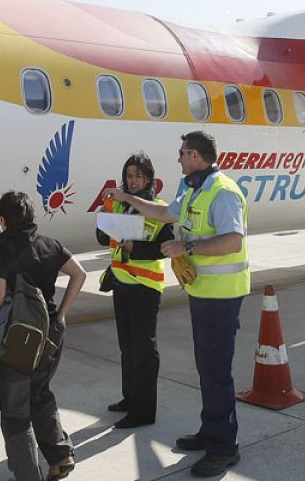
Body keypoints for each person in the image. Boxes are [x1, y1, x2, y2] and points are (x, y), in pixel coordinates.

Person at [103, 130, 249, 478]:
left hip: (223, 294)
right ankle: (211, 431)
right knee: (207, 369)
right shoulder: (192, 187)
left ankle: (223, 447)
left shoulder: (223, 191)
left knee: (216, 371)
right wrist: (126, 197)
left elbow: (232, 240)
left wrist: (188, 249)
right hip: (201, 291)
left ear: (197, 155)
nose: (179, 158)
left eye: (183, 153)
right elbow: (165, 213)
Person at [0, 191, 87, 481]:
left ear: (3, 221)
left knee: (15, 411)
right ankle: (60, 456)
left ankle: (27, 475)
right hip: (51, 334)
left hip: (17, 341)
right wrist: (62, 313)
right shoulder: (49, 244)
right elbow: (79, 274)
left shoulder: (0, 251)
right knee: (40, 394)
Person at [95, 152, 173, 429]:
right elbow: (104, 237)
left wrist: (133, 248)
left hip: (145, 286)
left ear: (150, 178)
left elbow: (164, 249)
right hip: (121, 283)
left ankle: (143, 412)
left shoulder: (160, 208)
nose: (134, 181)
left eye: (139, 175)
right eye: (129, 176)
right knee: (126, 348)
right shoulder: (119, 206)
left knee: (143, 350)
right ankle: (130, 399)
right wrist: (103, 217)